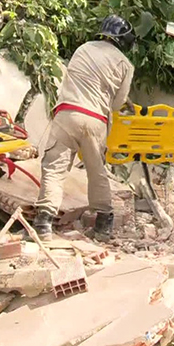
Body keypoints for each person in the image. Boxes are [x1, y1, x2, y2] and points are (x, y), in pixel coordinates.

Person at [32, 15, 136, 242]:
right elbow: (117, 105)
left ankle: (43, 224)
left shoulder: (83, 48)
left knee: (54, 169)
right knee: (97, 172)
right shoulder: (126, 65)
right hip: (95, 120)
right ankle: (103, 225)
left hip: (66, 114)